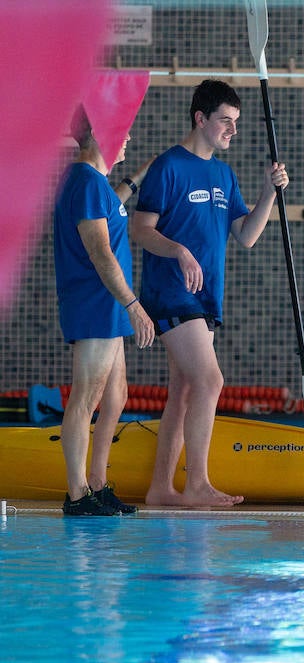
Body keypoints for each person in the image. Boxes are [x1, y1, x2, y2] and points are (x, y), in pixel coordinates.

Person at [130, 79, 288, 507]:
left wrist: (268, 194)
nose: (232, 130)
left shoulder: (223, 173)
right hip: (171, 293)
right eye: (225, 121)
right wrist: (179, 250)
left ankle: (162, 489)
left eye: (236, 122)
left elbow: (247, 235)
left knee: (183, 390)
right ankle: (197, 483)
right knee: (210, 379)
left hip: (206, 299)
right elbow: (139, 230)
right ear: (200, 119)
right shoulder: (169, 167)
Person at [52, 107, 156, 516]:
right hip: (96, 303)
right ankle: (77, 494)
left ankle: (96, 480)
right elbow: (99, 251)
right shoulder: (84, 181)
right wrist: (134, 305)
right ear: (100, 135)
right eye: (123, 131)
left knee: (115, 395)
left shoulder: (92, 183)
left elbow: (110, 210)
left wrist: (136, 177)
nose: (128, 138)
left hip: (106, 304)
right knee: (87, 396)